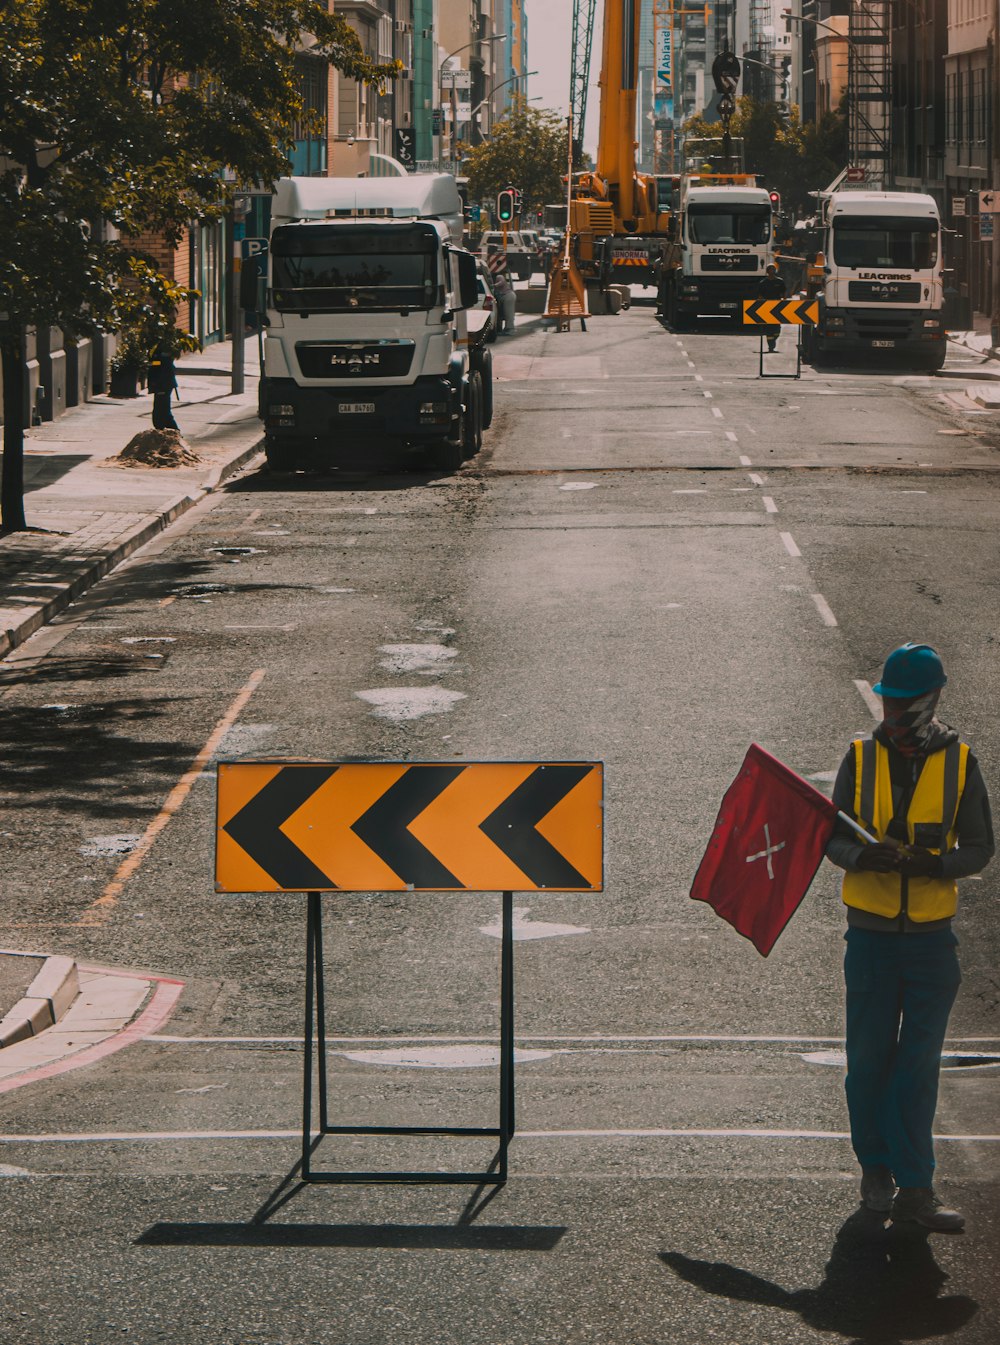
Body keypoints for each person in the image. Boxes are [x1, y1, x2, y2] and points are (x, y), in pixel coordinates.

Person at [826, 643, 994, 1231]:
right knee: (867, 1063)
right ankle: (877, 1170)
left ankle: (917, 1189)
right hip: (870, 942)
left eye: (903, 703)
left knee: (916, 1069)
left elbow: (979, 847)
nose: (892, 713)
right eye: (887, 701)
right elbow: (830, 837)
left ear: (932, 700)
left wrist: (935, 866)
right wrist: (860, 857)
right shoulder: (859, 756)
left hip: (930, 943)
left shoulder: (960, 762)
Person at [147, 347, 180, 430]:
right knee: (159, 408)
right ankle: (161, 428)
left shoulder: (162, 350)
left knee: (163, 409)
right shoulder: (158, 350)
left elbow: (160, 365)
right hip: (162, 383)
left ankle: (174, 430)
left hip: (163, 384)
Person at [757, 262, 786, 352]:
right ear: (767, 271)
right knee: (769, 327)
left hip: (777, 306)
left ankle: (774, 339)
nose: (772, 271)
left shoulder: (779, 281)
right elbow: (760, 296)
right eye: (770, 269)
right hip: (767, 307)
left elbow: (784, 293)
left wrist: (784, 302)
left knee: (777, 327)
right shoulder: (763, 282)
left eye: (773, 269)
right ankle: (771, 346)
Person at [487, 246, 516, 335]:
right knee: (507, 313)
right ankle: (507, 328)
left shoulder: (499, 276)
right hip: (506, 296)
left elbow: (501, 282)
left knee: (508, 314)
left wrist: (492, 285)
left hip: (508, 296)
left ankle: (510, 329)